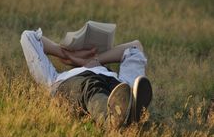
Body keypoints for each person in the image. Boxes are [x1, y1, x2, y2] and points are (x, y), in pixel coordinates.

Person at [20, 28, 152, 129]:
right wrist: (66, 53)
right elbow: (28, 37)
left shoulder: (101, 67)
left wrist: (95, 60)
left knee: (130, 84)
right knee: (91, 88)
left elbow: (135, 46)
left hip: (116, 84)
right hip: (79, 84)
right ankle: (112, 118)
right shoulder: (53, 79)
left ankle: (131, 107)